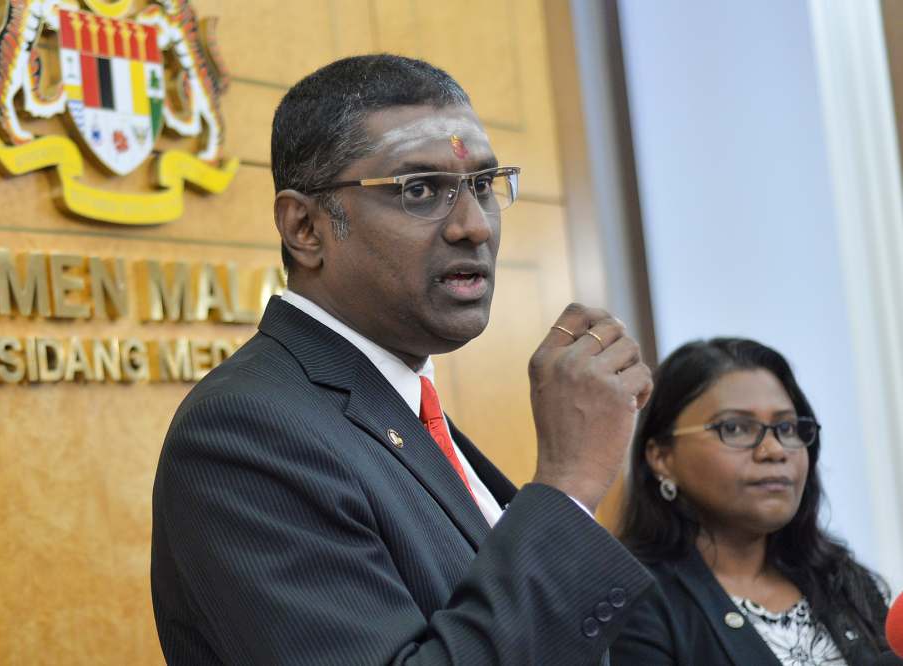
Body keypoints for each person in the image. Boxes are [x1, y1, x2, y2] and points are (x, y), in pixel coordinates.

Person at [150, 54, 655, 664]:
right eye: (420, 190)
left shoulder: (396, 404)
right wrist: (569, 484)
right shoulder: (244, 432)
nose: (474, 227)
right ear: (305, 227)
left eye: (482, 186)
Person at [611, 338, 892, 665]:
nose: (774, 450)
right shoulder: (630, 600)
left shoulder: (842, 580)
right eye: (735, 428)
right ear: (661, 457)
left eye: (786, 427)